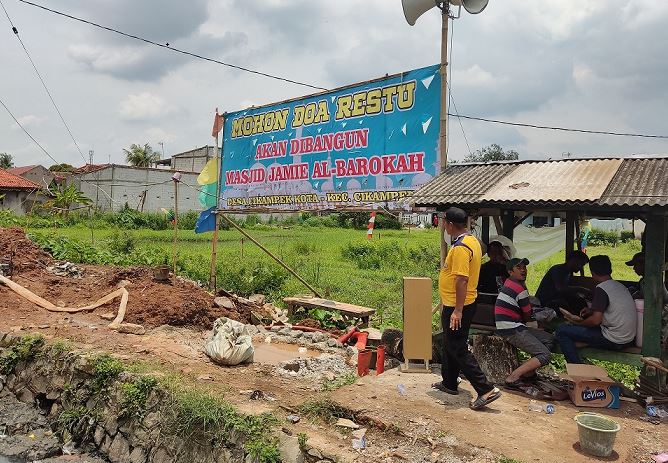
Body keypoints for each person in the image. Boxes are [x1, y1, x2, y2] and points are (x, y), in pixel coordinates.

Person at [432, 206, 501, 410]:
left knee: (457, 347)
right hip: (461, 302)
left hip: (458, 304)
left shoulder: (462, 247)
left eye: (445, 222)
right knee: (449, 341)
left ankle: (485, 389)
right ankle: (449, 382)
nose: (444, 225)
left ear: (451, 225)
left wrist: (457, 310)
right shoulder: (472, 241)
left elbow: (462, 280)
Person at [555, 255, 637, 364]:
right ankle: (583, 348)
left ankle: (577, 366)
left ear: (592, 272)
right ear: (610, 269)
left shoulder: (601, 288)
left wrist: (578, 323)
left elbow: (595, 321)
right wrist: (591, 310)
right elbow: (609, 307)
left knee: (562, 330)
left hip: (614, 340)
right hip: (628, 338)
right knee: (573, 335)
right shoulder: (619, 286)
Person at [494, 258, 555, 385]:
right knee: (545, 355)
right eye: (519, 268)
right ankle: (513, 377)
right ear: (510, 272)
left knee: (549, 339)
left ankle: (528, 373)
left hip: (512, 325)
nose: (523, 270)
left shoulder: (509, 283)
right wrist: (540, 322)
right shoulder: (519, 289)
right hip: (511, 329)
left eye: (524, 267)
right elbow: (528, 316)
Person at [535, 250, 590, 314]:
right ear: (573, 261)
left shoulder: (567, 272)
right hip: (544, 301)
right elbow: (560, 288)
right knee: (564, 305)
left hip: (554, 299)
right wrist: (581, 289)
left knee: (579, 300)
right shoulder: (558, 269)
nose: (581, 267)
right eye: (581, 264)